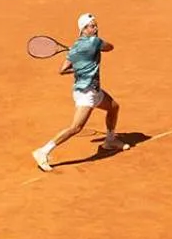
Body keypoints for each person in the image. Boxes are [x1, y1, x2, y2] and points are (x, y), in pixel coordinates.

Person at [33, 12, 121, 172]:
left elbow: (62, 70)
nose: (96, 28)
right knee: (75, 127)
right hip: (87, 93)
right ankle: (43, 151)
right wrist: (83, 66)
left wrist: (79, 68)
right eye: (92, 26)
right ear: (83, 29)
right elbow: (110, 47)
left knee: (114, 107)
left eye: (96, 25)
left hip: (91, 89)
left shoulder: (74, 49)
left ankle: (110, 140)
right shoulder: (95, 42)